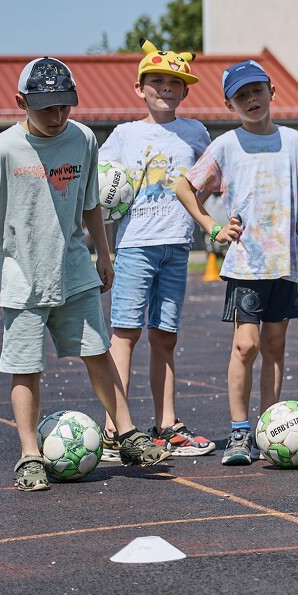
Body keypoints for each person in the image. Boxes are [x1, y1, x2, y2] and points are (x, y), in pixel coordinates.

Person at [0, 57, 171, 491]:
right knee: (26, 368)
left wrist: (104, 255)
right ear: (21, 102)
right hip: (23, 279)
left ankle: (127, 436)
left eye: (65, 106)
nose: (57, 116)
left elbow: (91, 203)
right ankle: (29, 456)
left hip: (74, 270)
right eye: (46, 108)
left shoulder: (83, 139)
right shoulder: (3, 150)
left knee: (98, 353)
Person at [174, 60, 298, 464]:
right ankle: (239, 432)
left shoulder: (293, 141)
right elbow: (185, 187)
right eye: (241, 96)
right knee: (246, 345)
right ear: (229, 105)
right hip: (246, 265)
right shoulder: (226, 145)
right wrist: (212, 227)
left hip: (284, 264)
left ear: (271, 92)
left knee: (275, 347)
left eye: (257, 90)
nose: (251, 99)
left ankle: (269, 430)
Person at [97, 41, 215, 459]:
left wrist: (203, 206)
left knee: (165, 337)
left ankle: (166, 426)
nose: (166, 88)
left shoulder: (196, 132)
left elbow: (209, 177)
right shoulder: (124, 135)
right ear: (139, 88)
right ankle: (114, 431)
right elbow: (100, 184)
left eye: (174, 82)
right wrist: (102, 249)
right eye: (157, 81)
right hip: (135, 247)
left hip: (177, 247)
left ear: (185, 91)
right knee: (125, 335)